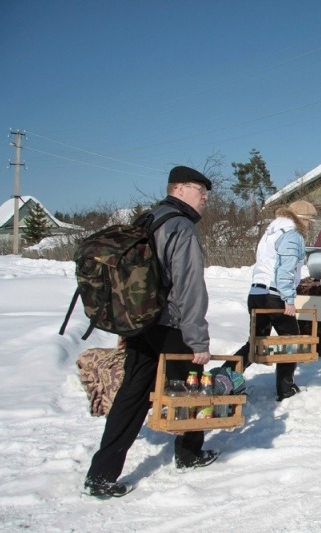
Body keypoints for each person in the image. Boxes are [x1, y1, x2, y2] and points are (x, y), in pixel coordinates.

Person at [84, 166, 217, 499]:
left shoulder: (148, 219)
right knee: (192, 389)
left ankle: (101, 474)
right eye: (201, 191)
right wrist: (197, 339)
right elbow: (189, 287)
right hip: (173, 325)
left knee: (132, 395)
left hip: (140, 323)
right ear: (182, 189)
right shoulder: (181, 226)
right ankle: (189, 454)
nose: (205, 199)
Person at [231, 200, 317, 401]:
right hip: (275, 295)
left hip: (257, 292)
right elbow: (284, 270)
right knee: (290, 341)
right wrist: (288, 299)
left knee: (256, 342)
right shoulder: (292, 235)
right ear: (301, 219)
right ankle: (285, 388)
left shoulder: (271, 230)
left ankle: (225, 374)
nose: (310, 226)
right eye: (310, 222)